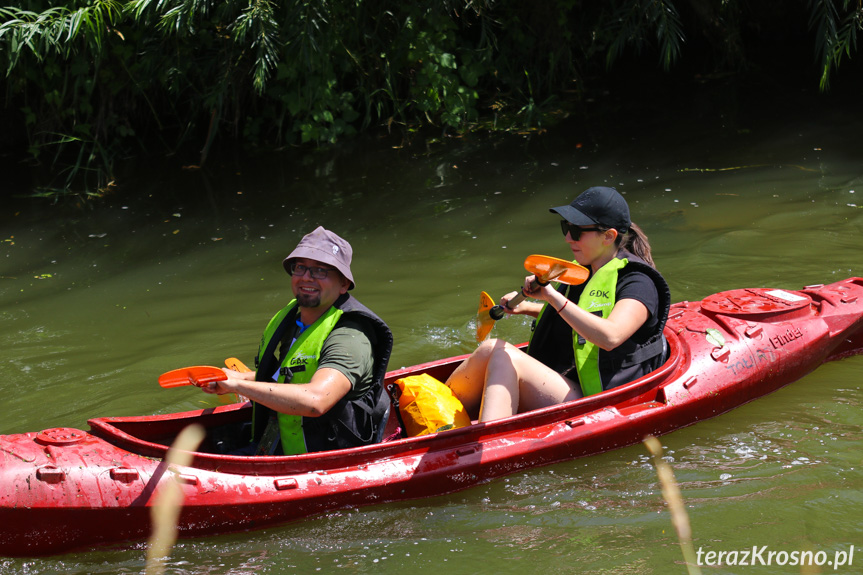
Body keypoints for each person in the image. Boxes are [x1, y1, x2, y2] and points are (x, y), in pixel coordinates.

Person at [446, 186, 670, 422]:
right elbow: (583, 318)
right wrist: (529, 307)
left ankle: (490, 444)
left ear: (609, 236)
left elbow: (610, 336)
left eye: (576, 231)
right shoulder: (583, 270)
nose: (567, 238)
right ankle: (438, 417)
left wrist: (553, 296)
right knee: (489, 349)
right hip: (566, 381)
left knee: (505, 356)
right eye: (566, 227)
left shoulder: (639, 283)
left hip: (599, 398)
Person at [201, 226, 394, 455]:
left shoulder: (349, 337)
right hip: (283, 444)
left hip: (324, 458)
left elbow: (316, 400)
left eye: (321, 271)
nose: (306, 277)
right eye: (300, 267)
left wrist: (240, 386)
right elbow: (290, 376)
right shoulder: (295, 318)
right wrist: (235, 377)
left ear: (343, 284)